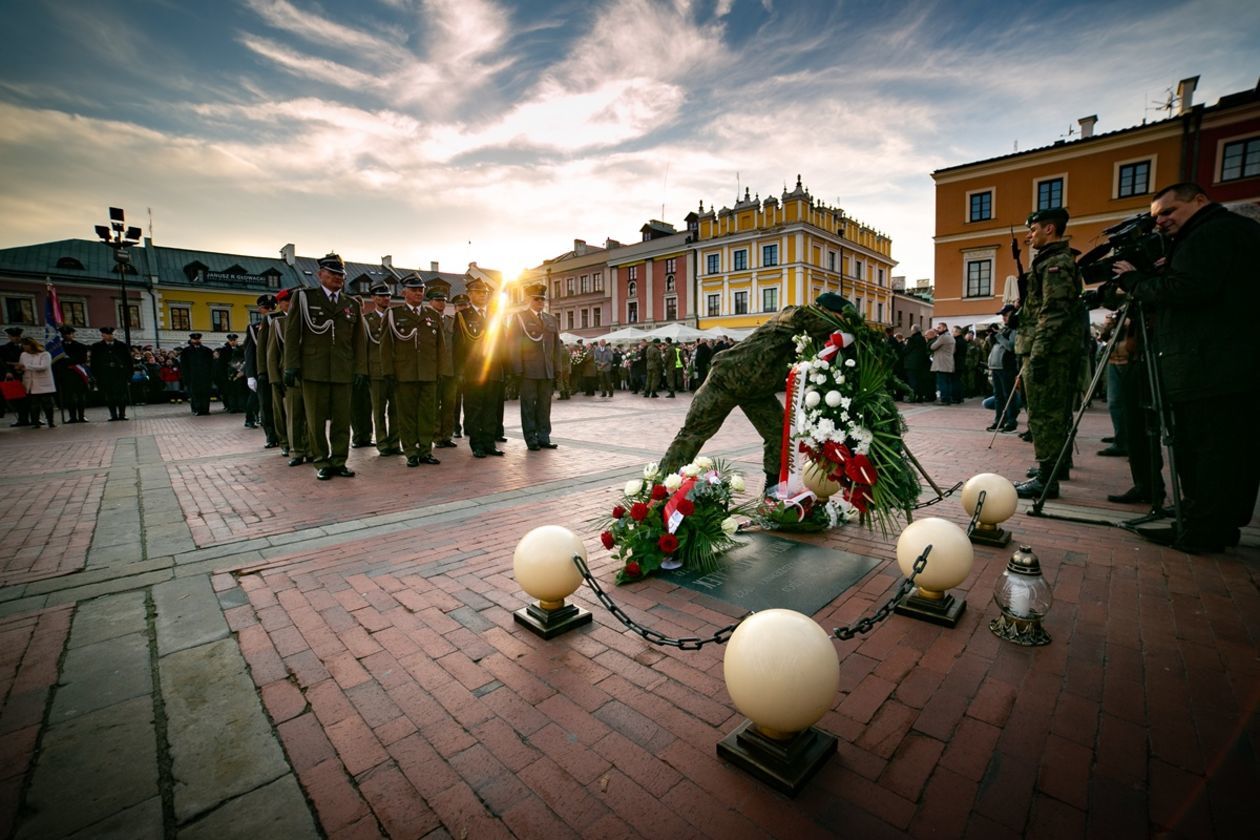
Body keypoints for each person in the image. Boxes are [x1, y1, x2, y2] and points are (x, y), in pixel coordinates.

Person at [1115, 182, 1260, 552]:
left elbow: (1187, 289)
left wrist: (1136, 282)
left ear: (1199, 201)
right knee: (1227, 453)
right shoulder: (1229, 232)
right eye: (1156, 216)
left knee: (1207, 452)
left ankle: (1202, 530)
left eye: (1168, 211)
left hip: (1212, 368)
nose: (1160, 222)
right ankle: (1213, 525)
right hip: (1226, 365)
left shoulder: (1210, 233)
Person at [660, 293, 860, 489]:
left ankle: (773, 488)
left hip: (757, 391)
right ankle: (660, 487)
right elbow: (808, 319)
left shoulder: (817, 337)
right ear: (826, 311)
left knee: (779, 435)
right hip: (726, 379)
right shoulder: (795, 314)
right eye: (841, 317)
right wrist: (852, 328)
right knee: (693, 433)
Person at [1014, 207, 1087, 500]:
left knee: (1044, 414)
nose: (1029, 236)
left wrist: (1039, 352)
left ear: (1049, 229)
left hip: (1049, 351)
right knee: (1056, 412)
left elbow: (1053, 311)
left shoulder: (1055, 263)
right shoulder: (1052, 260)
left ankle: (1047, 479)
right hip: (1053, 349)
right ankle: (1056, 466)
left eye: (1033, 230)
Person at [283, 253, 368, 480]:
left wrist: (361, 369)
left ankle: (339, 460)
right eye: (332, 273)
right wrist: (290, 365)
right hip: (314, 369)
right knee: (316, 419)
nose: (338, 278)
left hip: (342, 370)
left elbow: (358, 341)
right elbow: (292, 334)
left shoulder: (351, 304)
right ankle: (321, 461)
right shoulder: (304, 298)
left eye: (341, 274)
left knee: (342, 420)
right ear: (320, 274)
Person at [383, 275, 446, 467]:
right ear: (404, 292)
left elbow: (440, 346)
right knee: (407, 415)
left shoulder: (433, 315)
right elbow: (386, 346)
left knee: (427, 414)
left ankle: (426, 450)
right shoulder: (393, 314)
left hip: (428, 373)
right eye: (414, 290)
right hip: (405, 373)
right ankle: (410, 451)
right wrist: (388, 372)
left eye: (421, 290)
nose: (419, 293)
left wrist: (441, 371)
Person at [453, 276, 504, 458]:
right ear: (470, 294)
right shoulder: (462, 316)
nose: (483, 295)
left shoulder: (494, 316)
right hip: (473, 371)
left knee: (491, 409)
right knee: (474, 409)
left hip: (493, 370)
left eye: (485, 293)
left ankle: (489, 443)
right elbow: (458, 346)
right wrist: (460, 371)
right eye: (479, 292)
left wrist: (503, 368)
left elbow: (502, 344)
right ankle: (477, 444)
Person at [508, 282, 562, 451]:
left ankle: (544, 437)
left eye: (542, 299)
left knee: (545, 406)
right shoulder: (519, 318)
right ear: (529, 299)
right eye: (536, 299)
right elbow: (514, 345)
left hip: (547, 370)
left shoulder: (551, 319)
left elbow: (556, 347)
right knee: (528, 407)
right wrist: (517, 368)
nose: (540, 302)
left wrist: (557, 368)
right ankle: (531, 439)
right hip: (528, 370)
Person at [268, 289, 309, 465]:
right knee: (294, 415)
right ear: (280, 304)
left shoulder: (307, 319)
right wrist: (275, 379)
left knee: (311, 416)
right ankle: (296, 450)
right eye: (287, 301)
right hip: (289, 376)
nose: (291, 304)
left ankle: (311, 449)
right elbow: (272, 354)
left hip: (310, 374)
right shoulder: (278, 323)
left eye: (293, 301)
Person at [363, 283, 402, 456]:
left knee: (396, 410)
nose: (385, 298)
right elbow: (363, 347)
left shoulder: (396, 317)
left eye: (388, 295)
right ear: (373, 298)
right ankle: (382, 443)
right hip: (376, 371)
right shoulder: (367, 320)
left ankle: (395, 442)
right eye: (381, 296)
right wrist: (363, 371)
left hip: (396, 370)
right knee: (379, 410)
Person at [244, 294, 278, 445]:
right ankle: (271, 436)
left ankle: (285, 436)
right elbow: (249, 352)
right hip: (263, 371)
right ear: (260, 310)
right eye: (266, 308)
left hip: (280, 369)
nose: (269, 310)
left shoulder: (282, 321)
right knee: (265, 406)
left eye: (271, 307)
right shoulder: (254, 328)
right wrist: (250, 375)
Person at [89, 326, 131, 421]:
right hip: (105, 376)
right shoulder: (97, 346)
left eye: (111, 334)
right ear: (103, 335)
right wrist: (96, 376)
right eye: (107, 334)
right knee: (109, 396)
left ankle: (122, 414)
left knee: (121, 396)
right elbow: (94, 362)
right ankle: (113, 415)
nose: (109, 336)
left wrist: (128, 375)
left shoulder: (121, 345)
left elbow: (128, 361)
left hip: (120, 375)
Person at [16, 338, 56, 428]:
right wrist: (19, 369)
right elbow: (22, 366)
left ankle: (51, 422)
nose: (24, 347)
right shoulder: (23, 355)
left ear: (31, 345)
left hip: (43, 383)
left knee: (47, 404)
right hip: (30, 383)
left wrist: (27, 366)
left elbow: (43, 367)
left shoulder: (45, 354)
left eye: (26, 345)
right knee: (34, 405)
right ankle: (36, 422)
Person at [55, 326, 91, 423]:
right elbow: (57, 361)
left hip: (78, 375)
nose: (67, 336)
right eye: (64, 334)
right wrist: (68, 363)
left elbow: (82, 359)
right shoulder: (58, 347)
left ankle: (81, 416)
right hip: (65, 375)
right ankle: (72, 417)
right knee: (69, 398)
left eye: (69, 334)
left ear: (73, 334)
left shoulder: (80, 346)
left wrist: (68, 361)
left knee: (80, 397)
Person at [180, 333, 215, 415]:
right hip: (192, 377)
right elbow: (184, 366)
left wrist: (211, 376)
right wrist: (185, 378)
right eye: (194, 339)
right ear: (191, 340)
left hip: (205, 377)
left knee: (205, 394)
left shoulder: (207, 350)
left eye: (198, 339)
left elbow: (211, 365)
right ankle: (196, 409)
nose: (196, 340)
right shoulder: (186, 351)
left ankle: (205, 409)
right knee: (195, 394)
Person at [927, 323, 955, 404]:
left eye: (939, 328)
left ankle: (944, 399)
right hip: (949, 362)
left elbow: (932, 347)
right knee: (948, 382)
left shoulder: (943, 337)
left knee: (942, 382)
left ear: (945, 328)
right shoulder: (951, 337)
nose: (937, 329)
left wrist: (935, 337)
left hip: (941, 363)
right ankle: (948, 398)